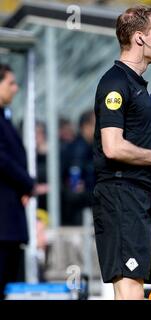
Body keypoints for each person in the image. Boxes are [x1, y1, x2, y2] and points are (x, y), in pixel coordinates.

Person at [92, 6, 151, 300]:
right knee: (130, 288)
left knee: (134, 286)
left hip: (135, 196)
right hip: (119, 196)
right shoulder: (115, 83)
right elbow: (113, 146)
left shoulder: (139, 87)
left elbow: (138, 144)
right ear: (140, 38)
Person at [0, 64, 35, 300]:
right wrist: (27, 183)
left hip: (9, 219)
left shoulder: (5, 117)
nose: (16, 88)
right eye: (10, 83)